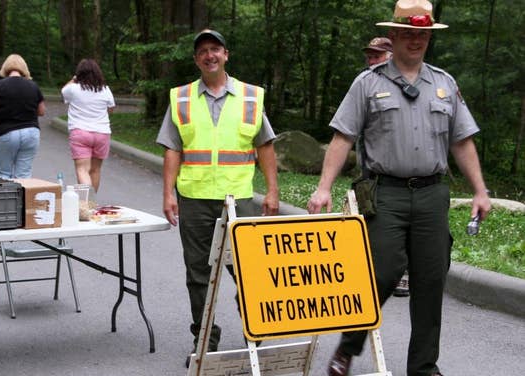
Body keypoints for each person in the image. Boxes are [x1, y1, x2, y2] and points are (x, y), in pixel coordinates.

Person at [306, 1, 491, 375]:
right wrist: (323, 188)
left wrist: (480, 190)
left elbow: (462, 141)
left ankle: (423, 367)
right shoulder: (368, 83)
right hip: (385, 193)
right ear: (393, 36)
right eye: (408, 33)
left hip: (431, 193)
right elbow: (343, 137)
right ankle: (348, 346)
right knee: (382, 272)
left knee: (430, 279)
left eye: (422, 34)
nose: (415, 40)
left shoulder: (443, 83)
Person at [156, 29, 279, 366]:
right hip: (194, 199)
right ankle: (205, 341)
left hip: (237, 199)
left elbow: (265, 145)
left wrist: (272, 191)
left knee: (247, 272)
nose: (209, 55)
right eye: (202, 52)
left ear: (226, 54)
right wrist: (168, 194)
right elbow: (172, 149)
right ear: (196, 60)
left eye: (215, 49)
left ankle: (255, 335)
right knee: (198, 273)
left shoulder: (250, 97)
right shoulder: (180, 98)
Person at [362, 36, 410, 298]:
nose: (371, 60)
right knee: (371, 217)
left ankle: (402, 275)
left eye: (377, 55)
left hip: (404, 173)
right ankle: (374, 272)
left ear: (391, 55)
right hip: (371, 169)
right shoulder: (366, 84)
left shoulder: (411, 84)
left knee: (402, 223)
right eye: (369, 56)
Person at [0, 54, 45, 179]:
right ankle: (23, 197)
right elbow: (41, 111)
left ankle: (5, 198)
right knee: (23, 175)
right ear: (24, 68)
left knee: (4, 174)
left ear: (5, 68)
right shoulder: (33, 86)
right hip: (31, 133)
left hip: (6, 132)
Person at [61, 59, 115, 193]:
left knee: (82, 169)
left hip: (80, 132)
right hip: (102, 133)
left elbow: (63, 91)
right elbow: (111, 109)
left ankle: (87, 202)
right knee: (95, 170)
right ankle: (92, 202)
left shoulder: (73, 89)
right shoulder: (105, 89)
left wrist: (73, 79)